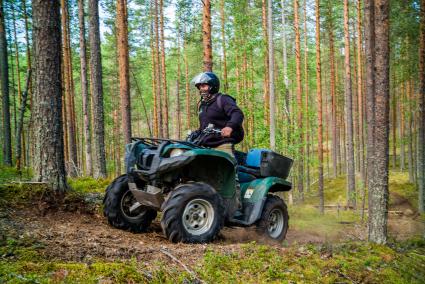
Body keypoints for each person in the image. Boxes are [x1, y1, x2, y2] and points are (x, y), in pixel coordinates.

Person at [190, 72, 244, 157]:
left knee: (225, 167)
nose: (201, 89)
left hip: (222, 145)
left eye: (203, 86)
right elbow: (205, 127)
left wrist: (230, 127)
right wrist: (195, 134)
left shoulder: (223, 99)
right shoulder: (203, 105)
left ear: (212, 86)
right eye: (199, 87)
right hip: (205, 146)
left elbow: (237, 113)